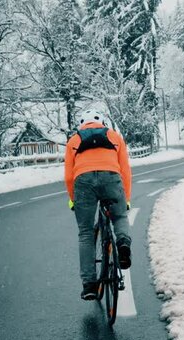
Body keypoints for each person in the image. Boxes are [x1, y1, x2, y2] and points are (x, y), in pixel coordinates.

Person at [64, 109, 133, 300]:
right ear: (102, 123)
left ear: (82, 124)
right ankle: (123, 245)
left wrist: (73, 200)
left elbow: (69, 176)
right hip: (111, 177)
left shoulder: (74, 140)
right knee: (119, 216)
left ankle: (89, 285)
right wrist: (125, 199)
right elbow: (125, 171)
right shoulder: (114, 137)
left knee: (85, 232)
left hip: (83, 182)